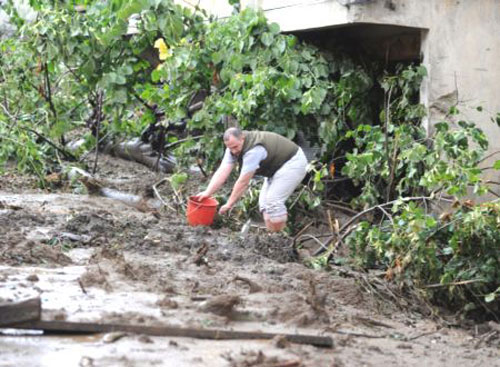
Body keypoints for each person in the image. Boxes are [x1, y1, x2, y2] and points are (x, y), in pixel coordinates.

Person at [196, 127, 308, 232]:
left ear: (242, 138)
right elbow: (222, 172)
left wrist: (229, 204)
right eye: (230, 148)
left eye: (235, 147)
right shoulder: (232, 148)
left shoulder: (253, 151)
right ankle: (273, 236)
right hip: (276, 168)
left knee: (273, 202)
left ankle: (281, 240)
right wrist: (207, 192)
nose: (233, 151)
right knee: (264, 205)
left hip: (293, 162)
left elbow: (243, 182)